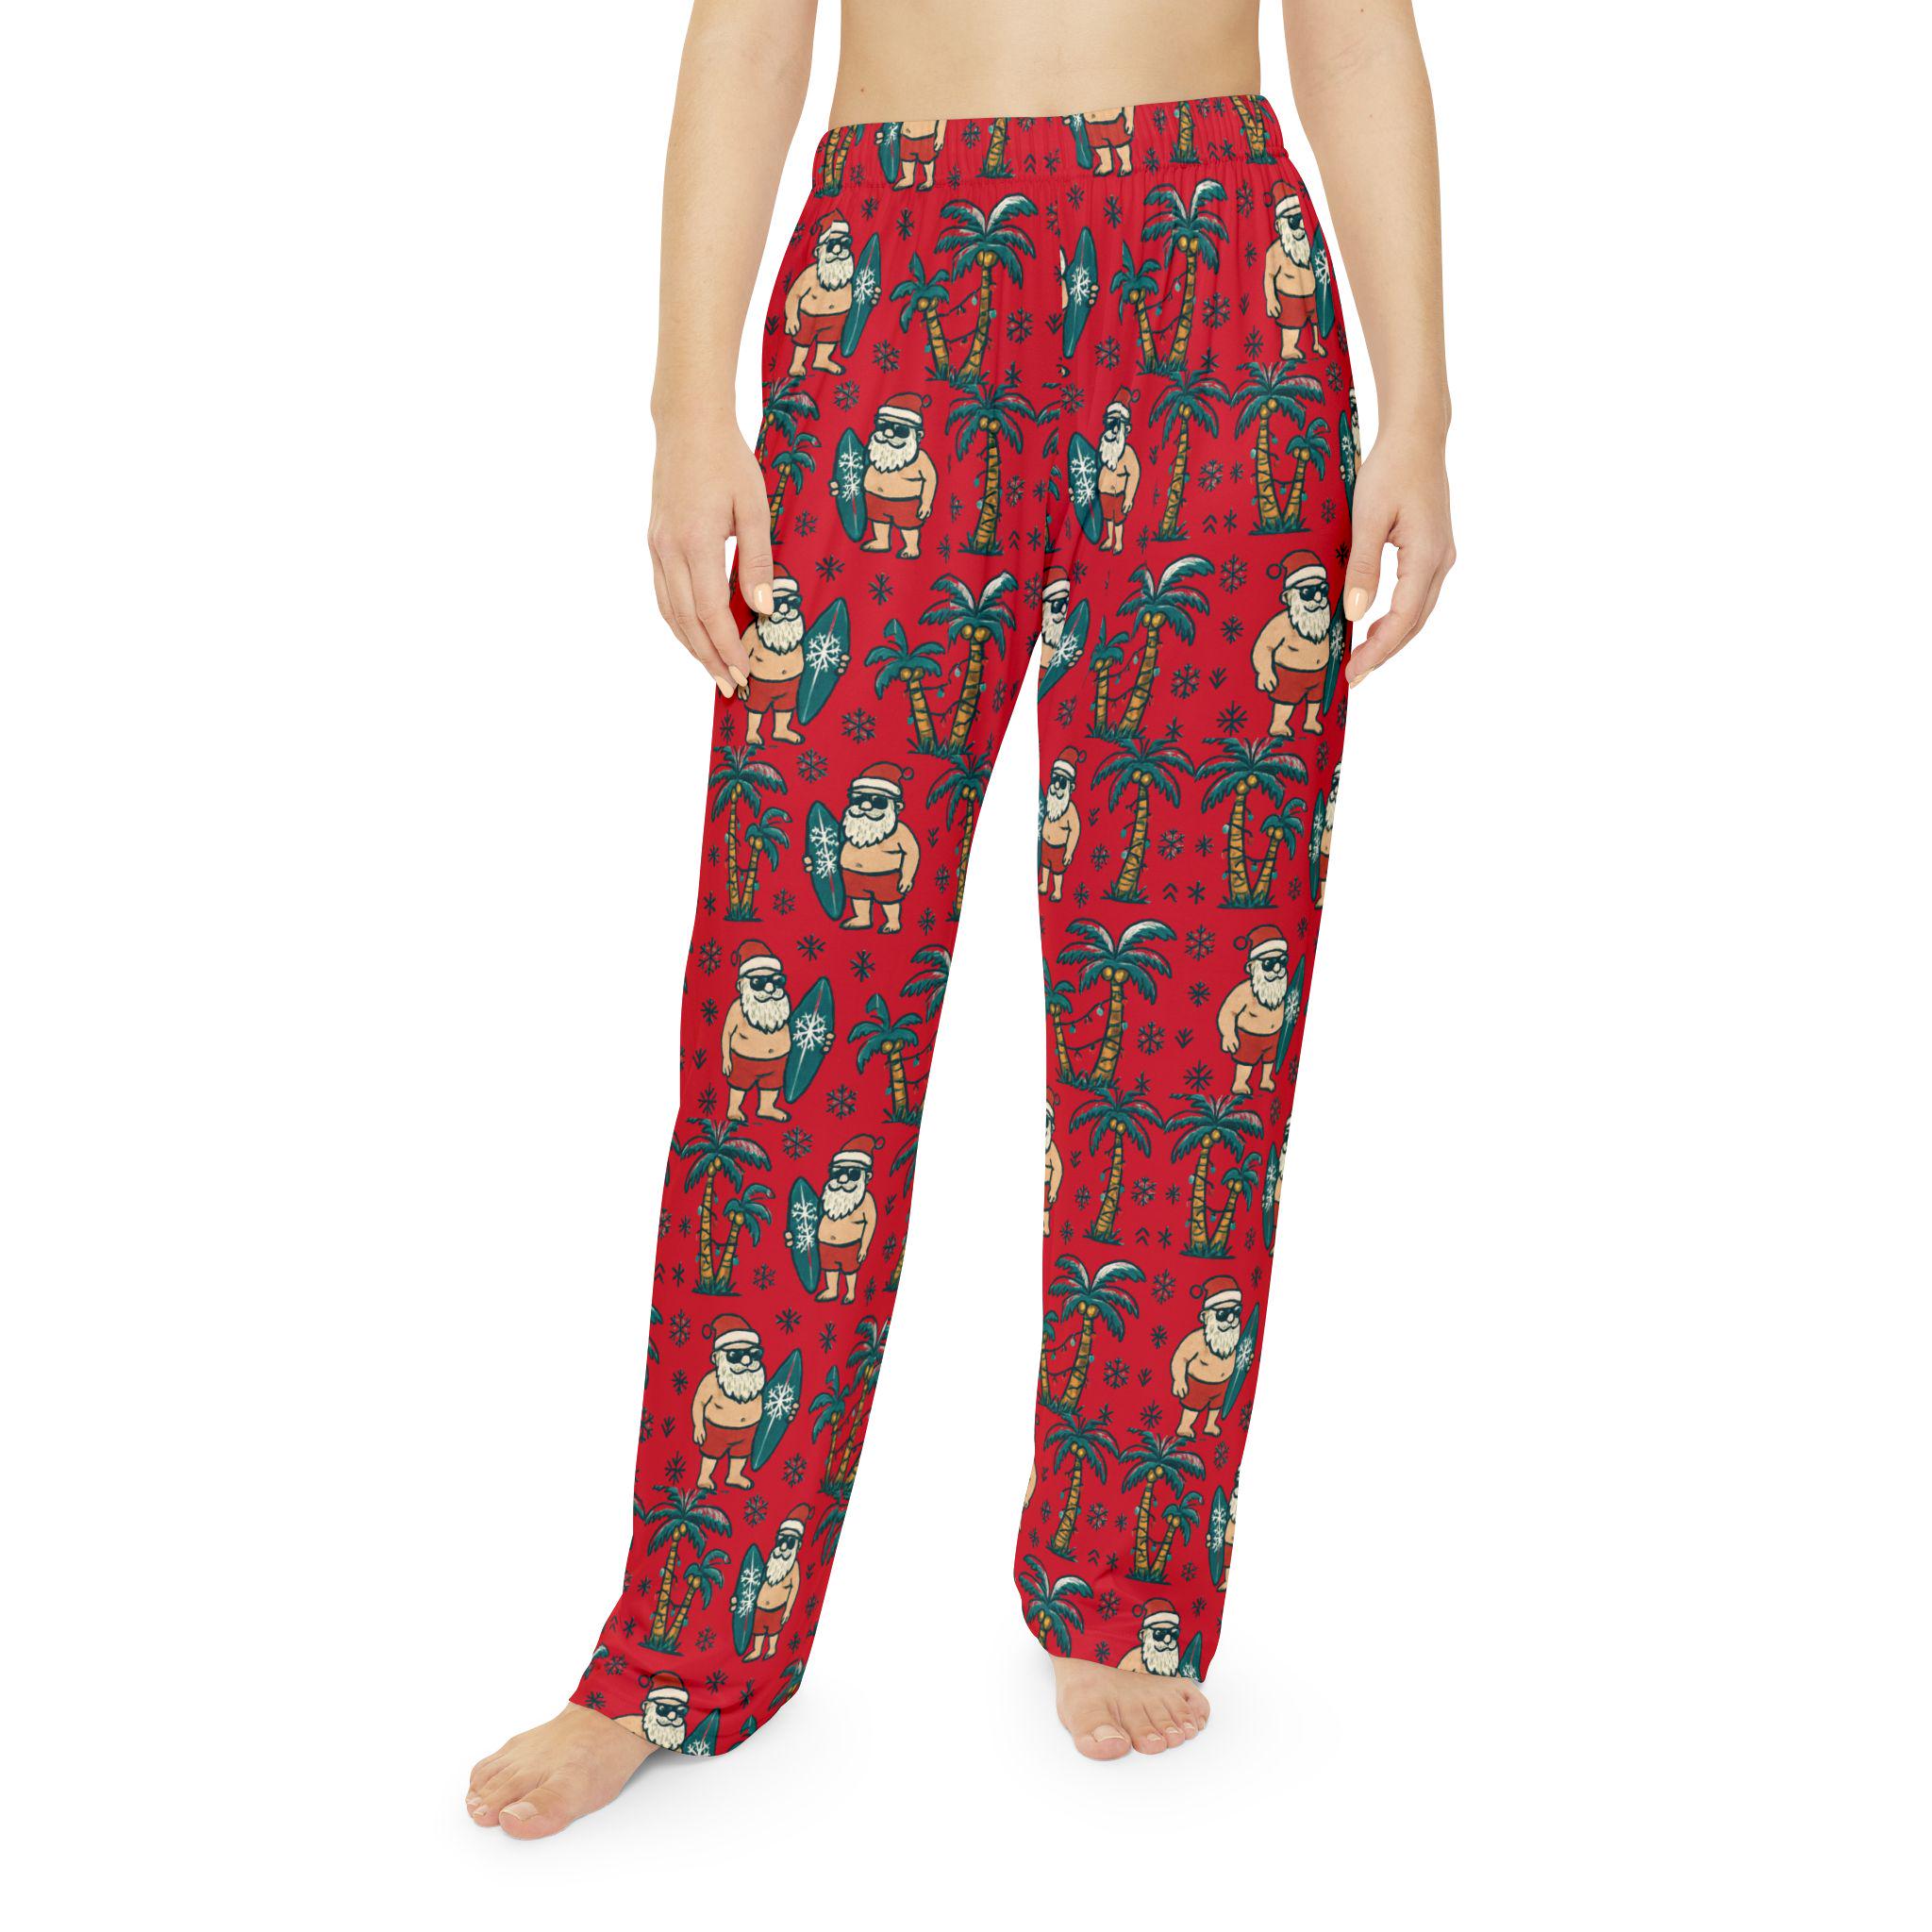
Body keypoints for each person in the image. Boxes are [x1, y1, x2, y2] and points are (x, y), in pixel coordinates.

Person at [468, 0, 1455, 1840]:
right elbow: (749, 34)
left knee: (1188, 997)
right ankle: (684, 1643)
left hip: (1217, 281)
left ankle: (1124, 1578)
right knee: (795, 1002)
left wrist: (1423, 409)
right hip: (897, 276)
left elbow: (1353, 30)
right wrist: (688, 408)